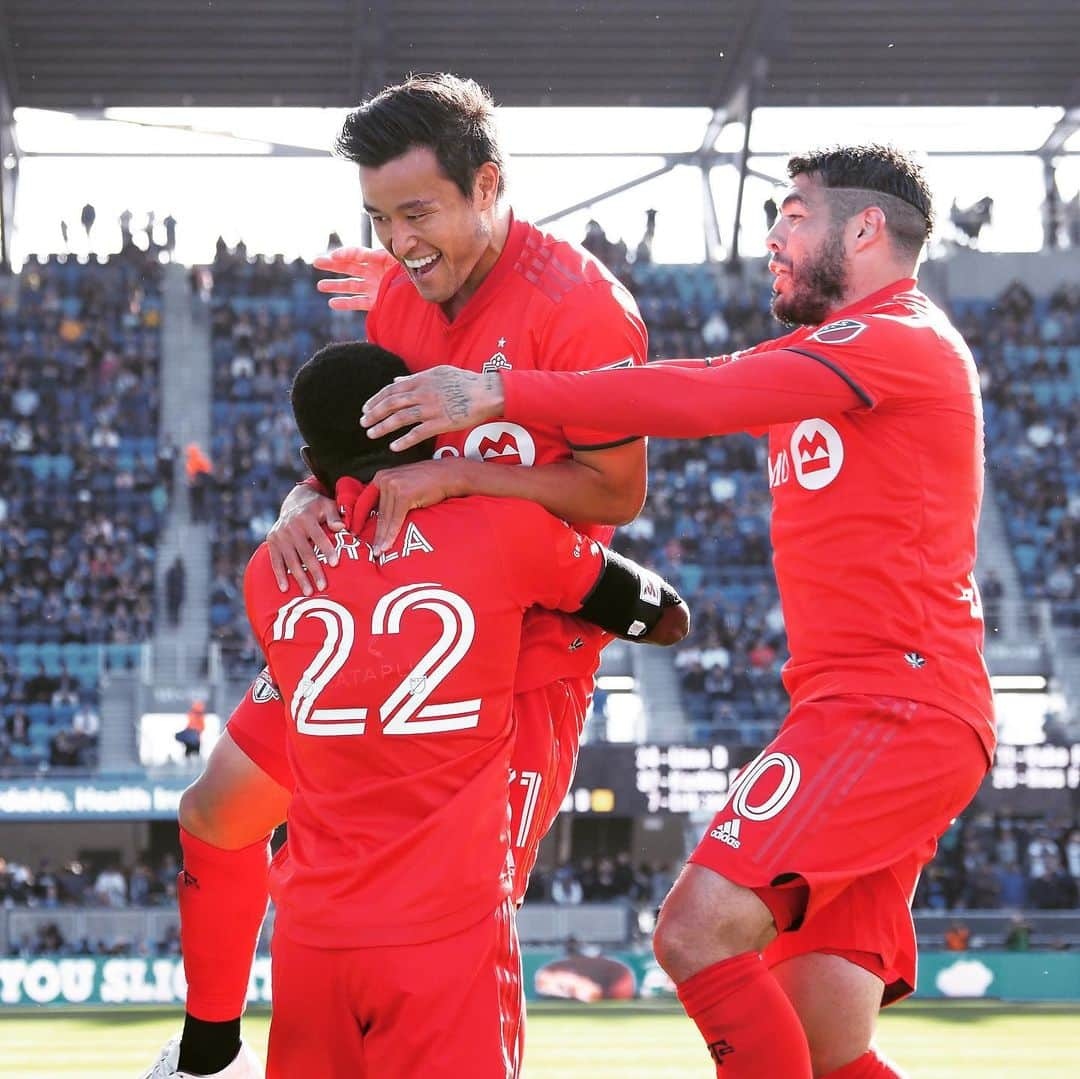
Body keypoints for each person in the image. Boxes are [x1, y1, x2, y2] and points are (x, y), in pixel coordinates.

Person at [361, 144, 994, 1079]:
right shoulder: (840, 350)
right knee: (823, 1043)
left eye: (792, 214)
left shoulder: (902, 336)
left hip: (895, 706)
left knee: (696, 931)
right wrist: (444, 278)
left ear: (864, 228)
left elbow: (700, 391)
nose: (771, 234)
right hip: (861, 708)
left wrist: (498, 388)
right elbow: (669, 367)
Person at [146, 74, 651, 1079]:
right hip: (381, 618)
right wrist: (305, 499)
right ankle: (206, 1054)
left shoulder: (586, 309)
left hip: (519, 650)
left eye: (417, 213)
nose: (397, 242)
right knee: (213, 813)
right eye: (380, 218)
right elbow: (356, 450)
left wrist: (462, 468)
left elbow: (615, 494)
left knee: (452, 926)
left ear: (488, 186)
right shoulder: (401, 296)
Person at [240, 341, 686, 1079]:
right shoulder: (500, 529)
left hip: (311, 937)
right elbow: (665, 616)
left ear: (310, 461)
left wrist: (305, 500)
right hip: (447, 930)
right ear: (423, 426)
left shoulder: (272, 572)